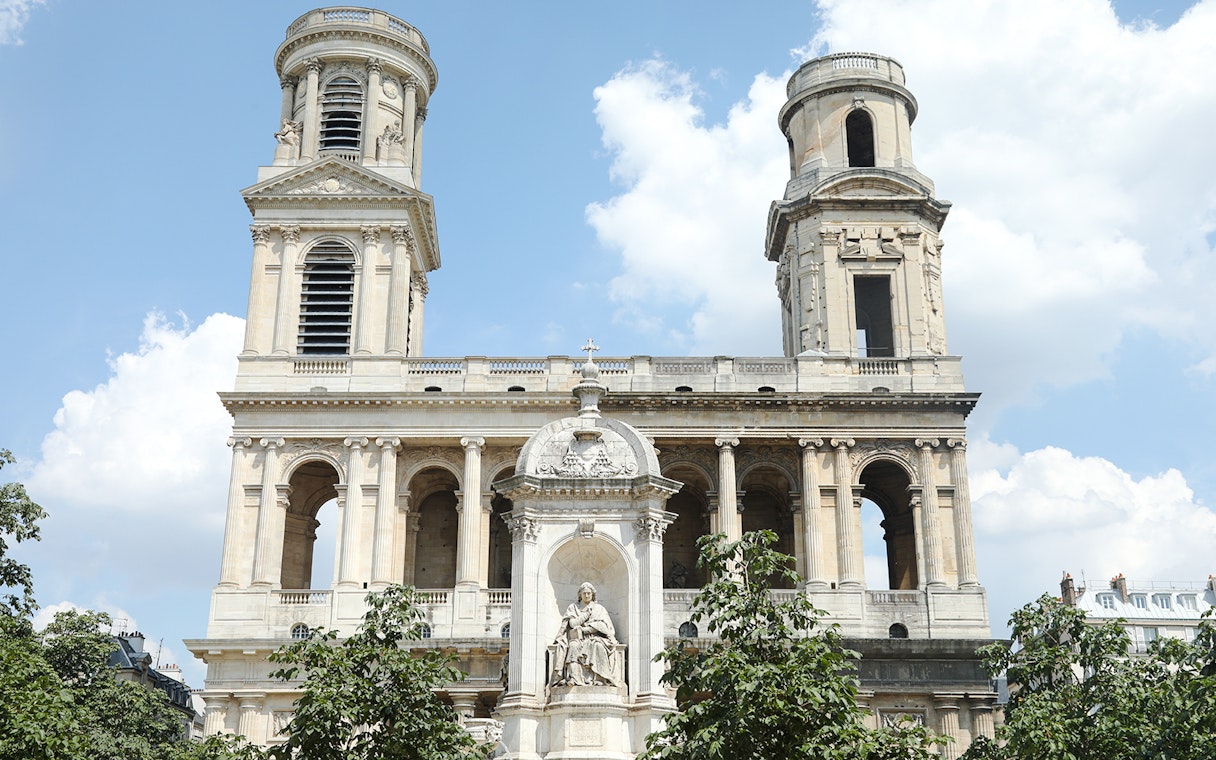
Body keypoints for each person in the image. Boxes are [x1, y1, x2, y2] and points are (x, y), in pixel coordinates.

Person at [551, 582, 618, 686]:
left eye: (589, 593)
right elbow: (572, 624)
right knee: (573, 646)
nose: (587, 595)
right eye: (584, 593)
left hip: (595, 638)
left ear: (592, 594)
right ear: (580, 595)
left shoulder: (599, 608)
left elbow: (604, 627)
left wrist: (585, 630)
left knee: (598, 646)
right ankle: (575, 678)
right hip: (577, 639)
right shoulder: (573, 607)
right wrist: (586, 615)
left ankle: (600, 679)